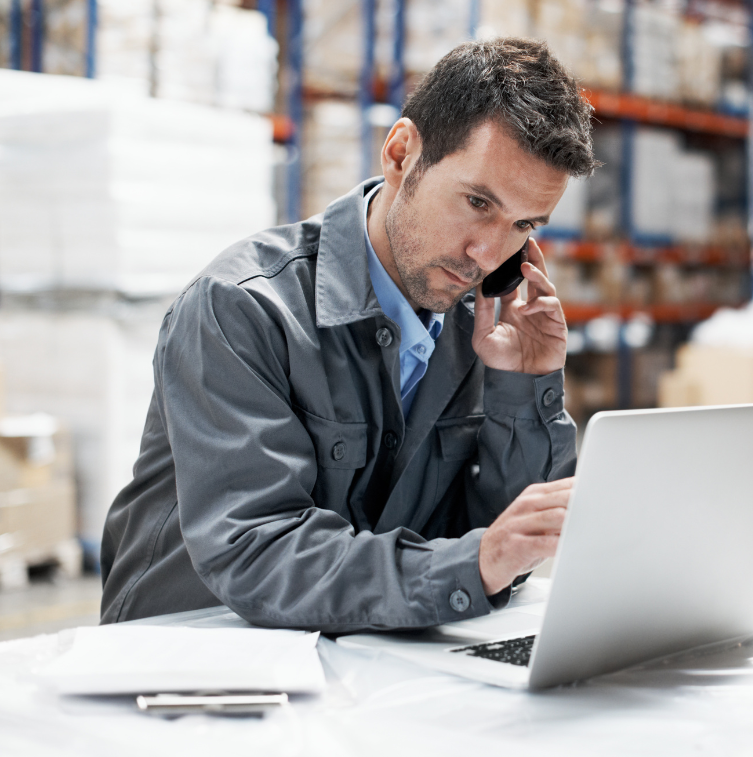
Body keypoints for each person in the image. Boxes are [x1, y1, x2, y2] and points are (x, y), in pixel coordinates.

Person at [99, 38, 597, 633]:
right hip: (191, 660)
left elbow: (500, 552)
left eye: (523, 225)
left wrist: (524, 387)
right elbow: (260, 552)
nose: (487, 253)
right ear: (401, 153)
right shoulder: (243, 309)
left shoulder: (483, 328)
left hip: (354, 662)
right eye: (476, 202)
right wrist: (476, 561)